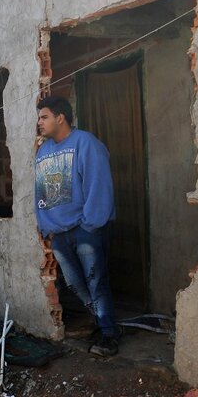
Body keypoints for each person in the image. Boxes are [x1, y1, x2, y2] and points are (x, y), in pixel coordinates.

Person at [34, 96, 119, 357]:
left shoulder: (86, 143)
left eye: (44, 117)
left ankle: (108, 335)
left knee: (96, 282)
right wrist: (45, 224)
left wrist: (91, 224)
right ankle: (102, 322)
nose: (40, 122)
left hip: (86, 228)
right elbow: (41, 192)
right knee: (74, 283)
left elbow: (98, 185)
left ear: (60, 118)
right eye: (39, 118)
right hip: (58, 232)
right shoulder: (43, 151)